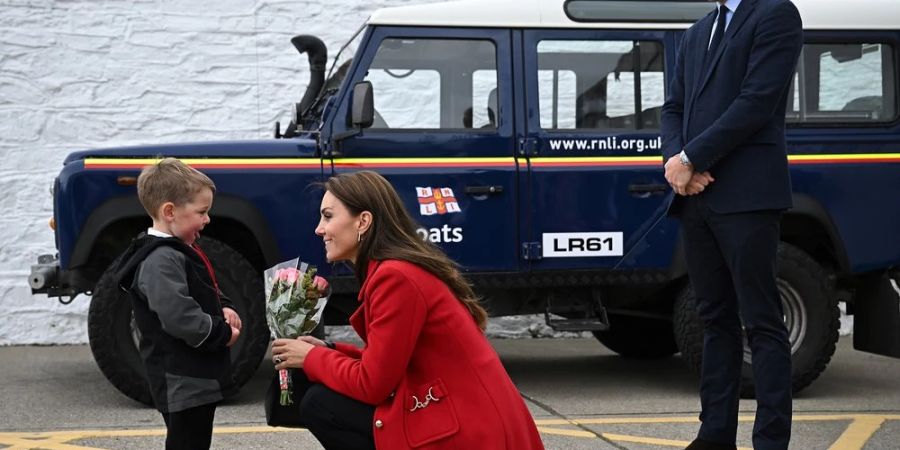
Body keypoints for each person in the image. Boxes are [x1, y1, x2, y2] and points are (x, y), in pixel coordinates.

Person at [271, 171, 544, 450]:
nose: (319, 228)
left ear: (363, 221)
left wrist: (314, 358)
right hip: (469, 416)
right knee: (322, 397)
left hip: (475, 432)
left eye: (328, 216)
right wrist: (328, 349)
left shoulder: (395, 277)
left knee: (321, 404)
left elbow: (373, 384)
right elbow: (388, 361)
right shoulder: (394, 269)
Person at [660, 0, 803, 449]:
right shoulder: (697, 30)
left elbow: (756, 102)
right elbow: (673, 107)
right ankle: (715, 434)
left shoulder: (776, 13)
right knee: (713, 319)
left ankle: (771, 439)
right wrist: (676, 163)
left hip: (748, 197)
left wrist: (691, 158)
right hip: (697, 197)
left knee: (762, 320)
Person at [113, 158, 242, 450]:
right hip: (182, 378)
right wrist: (219, 333)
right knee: (187, 442)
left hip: (192, 376)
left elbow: (202, 288)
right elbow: (178, 314)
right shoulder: (160, 260)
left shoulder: (178, 251)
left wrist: (223, 305)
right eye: (202, 212)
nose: (207, 219)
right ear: (170, 211)